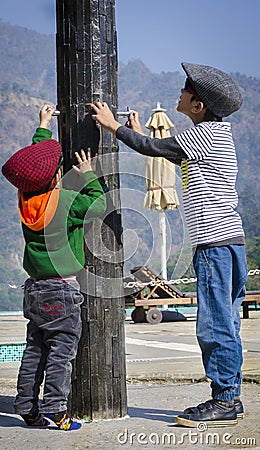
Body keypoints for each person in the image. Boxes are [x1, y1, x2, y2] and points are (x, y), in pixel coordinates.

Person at [90, 62, 248, 428]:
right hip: (231, 242)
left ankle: (223, 399)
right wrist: (137, 134)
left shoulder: (205, 133)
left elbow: (153, 146)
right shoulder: (217, 135)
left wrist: (112, 126)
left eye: (185, 90)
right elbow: (161, 149)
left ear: (198, 106)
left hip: (213, 244)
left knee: (214, 324)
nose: (179, 92)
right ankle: (230, 396)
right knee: (228, 322)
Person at [1, 104, 106, 430]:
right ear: (57, 176)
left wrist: (43, 126)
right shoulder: (65, 203)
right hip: (62, 290)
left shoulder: (25, 201)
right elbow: (99, 204)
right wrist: (88, 173)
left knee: (35, 349)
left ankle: (27, 407)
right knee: (61, 353)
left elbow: (32, 169)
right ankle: (57, 411)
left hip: (34, 289)